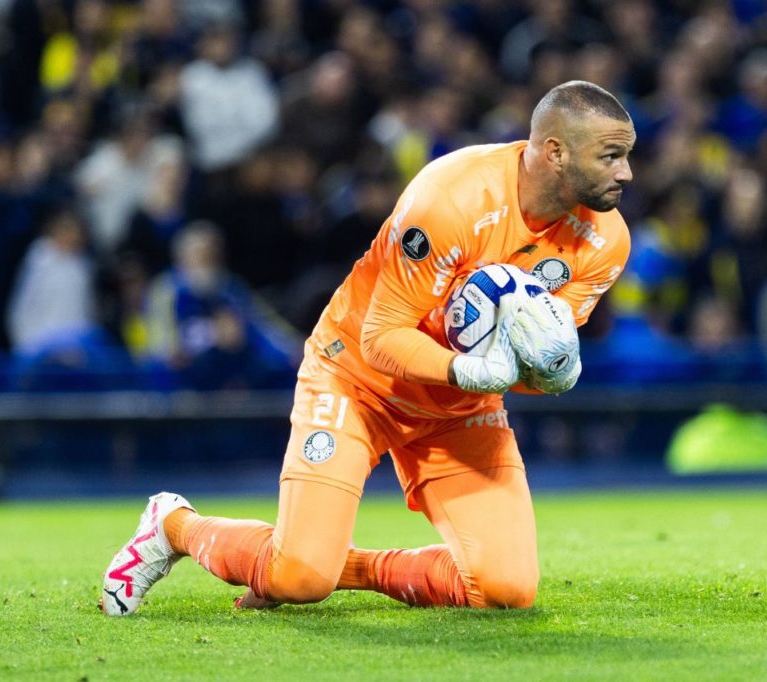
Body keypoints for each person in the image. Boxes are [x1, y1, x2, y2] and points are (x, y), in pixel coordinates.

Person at [101, 80, 634, 614]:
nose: (626, 173)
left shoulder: (606, 242)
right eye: (611, 156)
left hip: (456, 405)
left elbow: (518, 364)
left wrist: (545, 375)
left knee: (506, 590)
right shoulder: (452, 198)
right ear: (555, 152)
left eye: (626, 156)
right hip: (357, 379)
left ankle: (327, 565)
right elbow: (382, 338)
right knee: (300, 580)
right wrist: (470, 372)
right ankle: (174, 525)